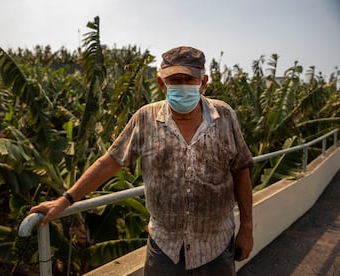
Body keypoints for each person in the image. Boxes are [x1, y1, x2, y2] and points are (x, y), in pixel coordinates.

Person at [30, 46, 254, 275]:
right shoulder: (145, 118)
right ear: (161, 84)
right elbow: (109, 162)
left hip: (216, 247)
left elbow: (241, 170)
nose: (182, 85)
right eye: (175, 80)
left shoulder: (224, 116)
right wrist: (65, 200)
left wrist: (246, 226)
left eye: (189, 79)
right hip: (166, 248)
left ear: (203, 82)